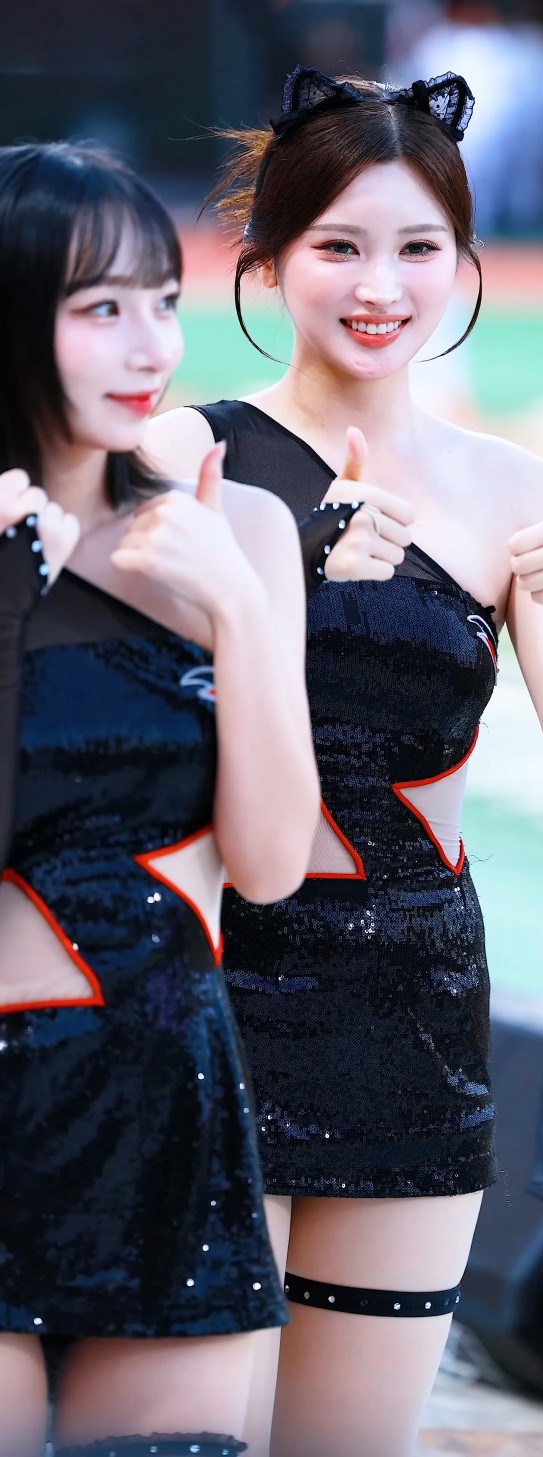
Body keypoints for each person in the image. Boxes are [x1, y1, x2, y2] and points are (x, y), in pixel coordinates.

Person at [146, 64, 543, 1457]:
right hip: (208, 997)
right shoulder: (189, 455)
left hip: (415, 1019)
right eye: (340, 247)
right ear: (268, 260)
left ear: (466, 263)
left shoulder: (513, 487)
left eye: (420, 247)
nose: (382, 285)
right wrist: (287, 571)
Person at [0, 142, 319, 1457]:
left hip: (167, 1103)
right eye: (100, 308)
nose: (150, 346)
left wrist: (237, 609)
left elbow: (274, 862)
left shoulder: (235, 528)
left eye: (163, 300)